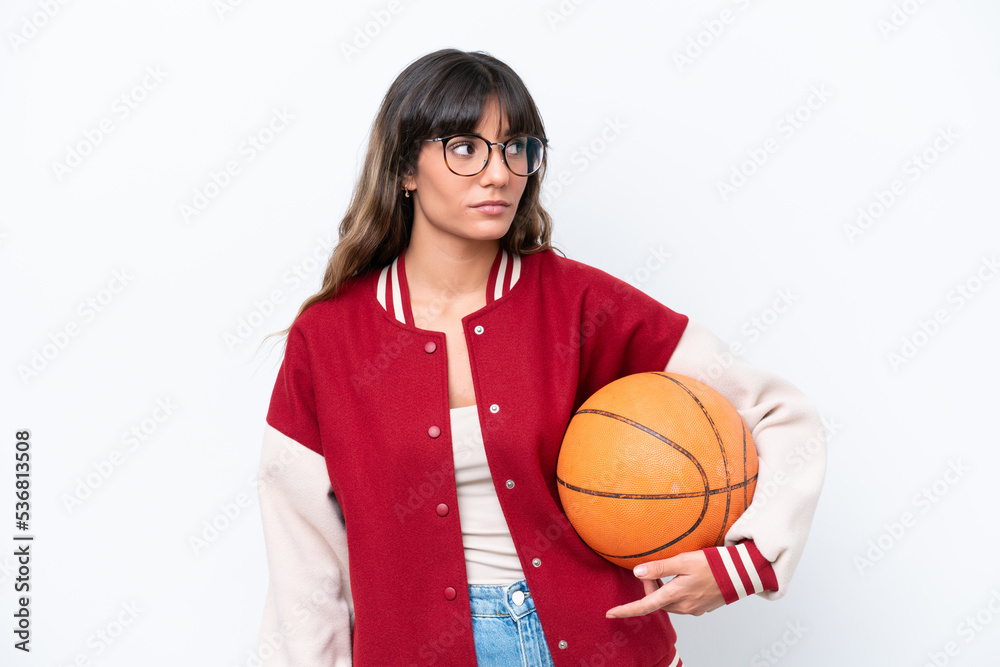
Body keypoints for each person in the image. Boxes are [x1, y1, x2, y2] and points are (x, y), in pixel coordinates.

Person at [255, 48, 826, 667]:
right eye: (466, 148)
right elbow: (303, 558)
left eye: (517, 148)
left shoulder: (580, 303)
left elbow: (776, 410)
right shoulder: (330, 338)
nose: (499, 174)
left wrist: (745, 561)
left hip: (602, 647)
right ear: (405, 168)